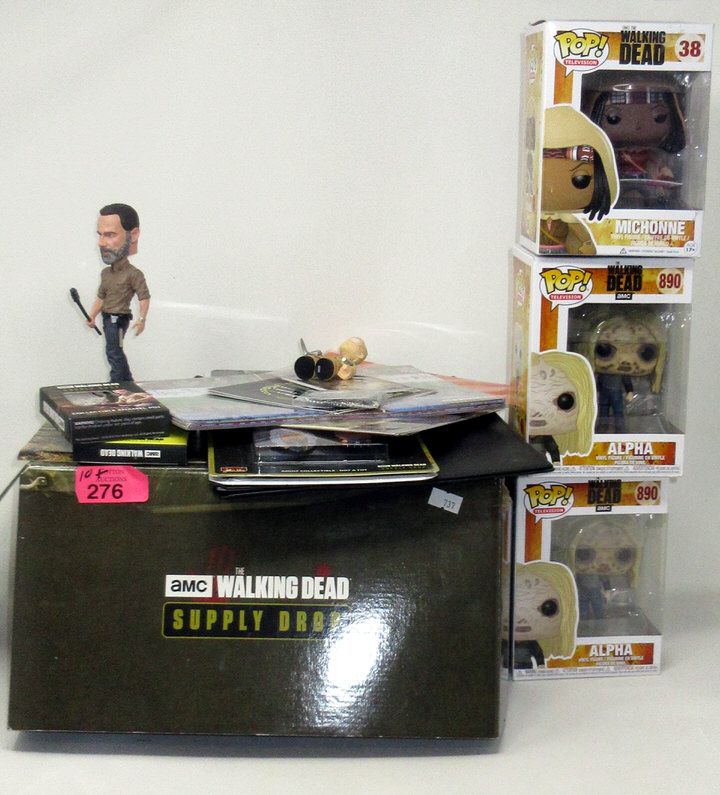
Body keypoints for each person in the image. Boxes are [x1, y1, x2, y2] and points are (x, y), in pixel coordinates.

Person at [87, 204, 150, 382]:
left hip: (118, 318)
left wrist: (142, 319)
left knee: (114, 351)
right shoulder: (106, 273)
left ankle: (120, 382)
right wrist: (92, 315)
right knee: (112, 350)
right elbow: (101, 297)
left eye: (110, 235)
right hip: (107, 318)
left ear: (134, 235)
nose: (101, 243)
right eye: (100, 235)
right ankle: (123, 382)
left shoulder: (133, 274)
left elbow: (144, 297)